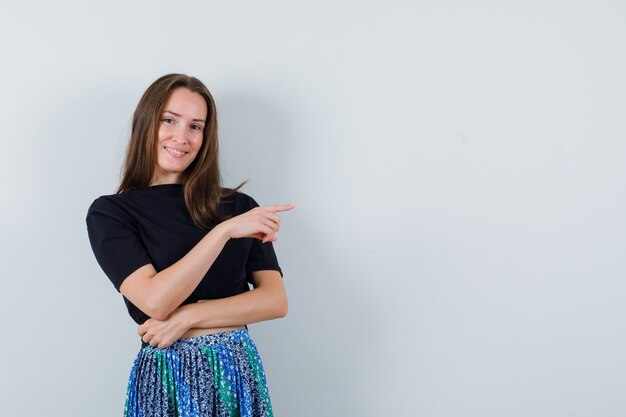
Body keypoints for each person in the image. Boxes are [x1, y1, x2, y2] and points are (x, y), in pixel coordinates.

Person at [85, 73, 294, 417]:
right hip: (169, 375)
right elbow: (156, 301)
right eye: (169, 120)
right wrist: (222, 233)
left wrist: (187, 318)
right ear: (146, 123)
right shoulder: (111, 212)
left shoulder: (240, 207)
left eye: (195, 126)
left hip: (236, 371)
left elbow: (275, 300)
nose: (181, 137)